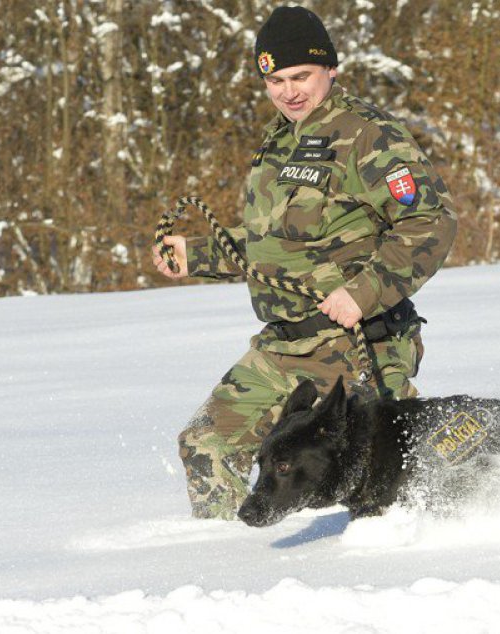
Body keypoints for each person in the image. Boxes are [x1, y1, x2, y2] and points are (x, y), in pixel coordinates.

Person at [152, 6, 457, 520]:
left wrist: (361, 293)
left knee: (387, 479)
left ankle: (458, 540)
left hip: (357, 346)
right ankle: (227, 562)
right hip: (283, 345)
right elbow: (277, 247)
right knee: (207, 446)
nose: (289, 91)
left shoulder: (368, 137)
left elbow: (431, 221)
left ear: (330, 70)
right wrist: (197, 255)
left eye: (301, 77)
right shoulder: (279, 142)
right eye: (275, 80)